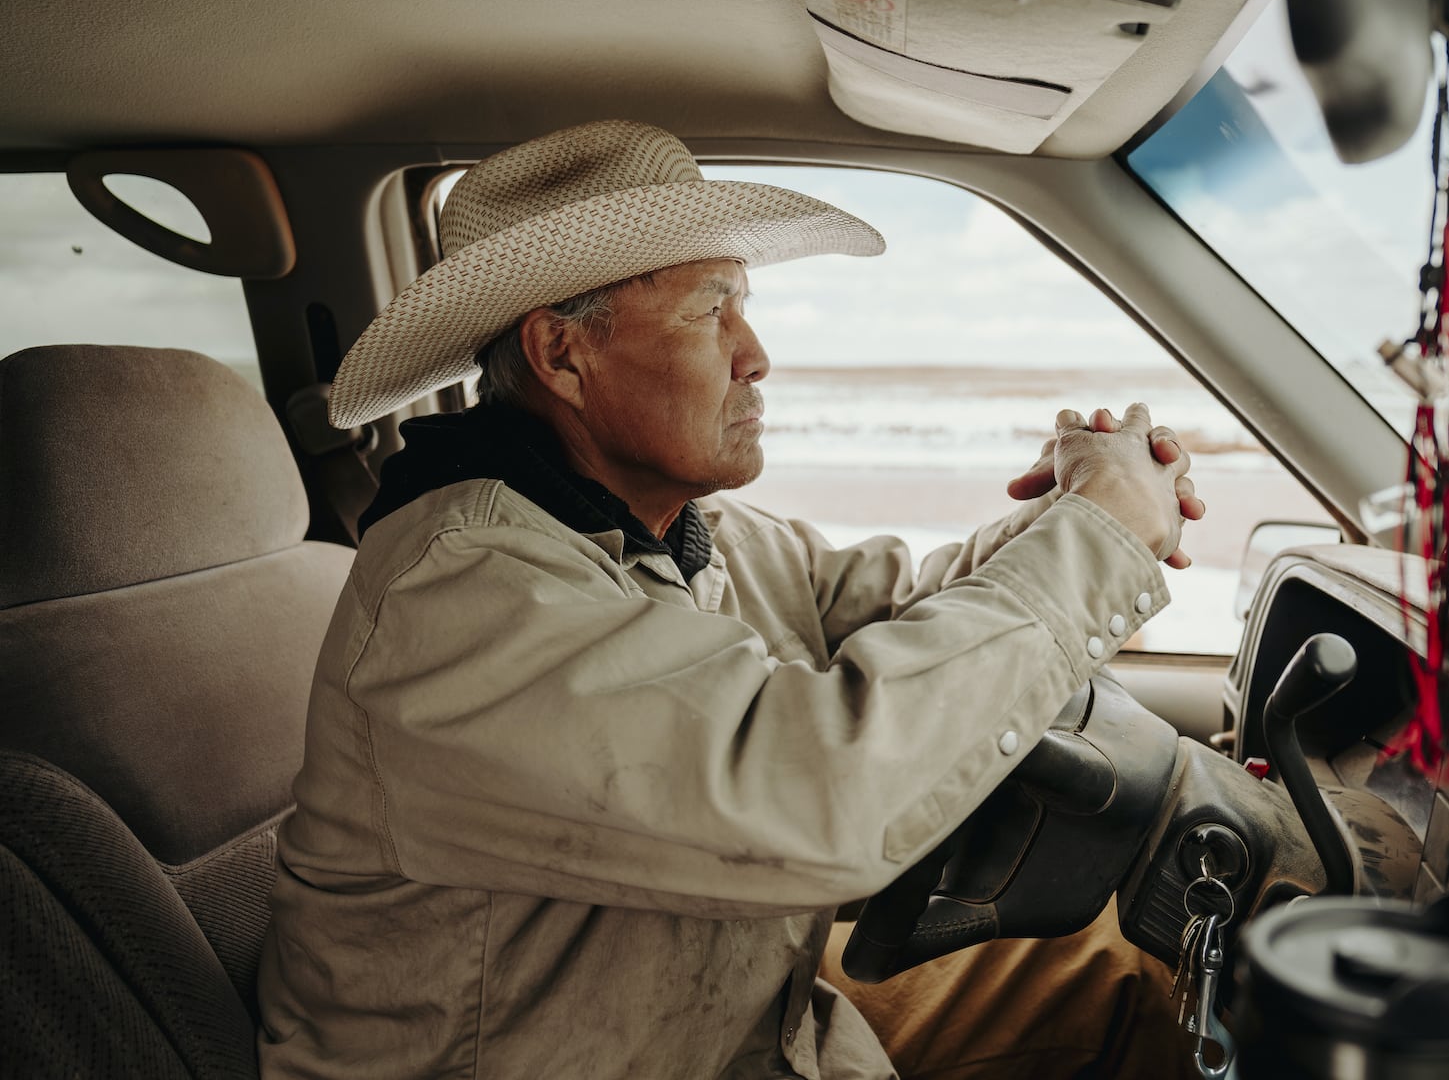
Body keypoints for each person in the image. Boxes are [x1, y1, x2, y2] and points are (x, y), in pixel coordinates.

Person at [257, 119, 1206, 1079]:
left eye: (743, 306)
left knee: (1123, 972)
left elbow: (897, 610)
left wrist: (1079, 513)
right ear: (561, 354)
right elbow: (823, 792)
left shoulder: (678, 527)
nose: (754, 355)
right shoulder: (462, 591)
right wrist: (1101, 537)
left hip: (745, 1027)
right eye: (711, 312)